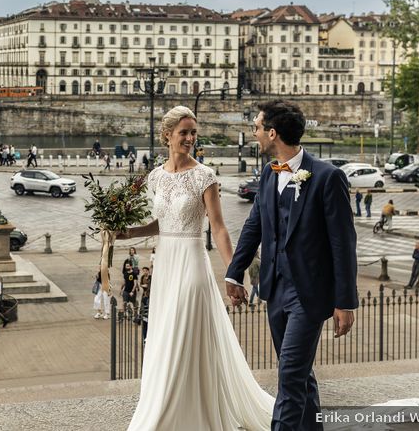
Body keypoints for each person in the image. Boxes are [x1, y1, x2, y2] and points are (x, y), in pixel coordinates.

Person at [120, 105, 276, 430]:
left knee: (181, 328)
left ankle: (178, 414)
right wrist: (128, 233)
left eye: (193, 133)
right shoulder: (155, 177)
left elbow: (218, 228)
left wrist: (234, 273)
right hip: (165, 262)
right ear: (167, 135)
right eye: (184, 133)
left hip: (191, 259)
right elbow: (160, 224)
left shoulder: (204, 176)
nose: (190, 139)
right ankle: (170, 406)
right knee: (165, 335)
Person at [225, 99, 358, 430]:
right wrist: (234, 272)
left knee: (289, 376)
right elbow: (254, 226)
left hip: (309, 294)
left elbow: (343, 244)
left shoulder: (328, 177)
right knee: (297, 371)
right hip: (275, 288)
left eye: (256, 128)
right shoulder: (270, 175)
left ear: (272, 133)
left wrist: (345, 301)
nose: (254, 134)